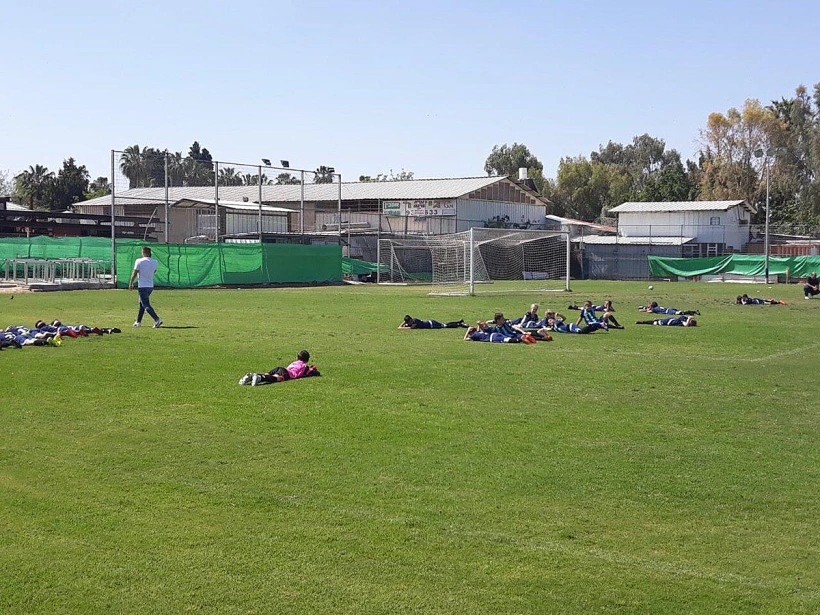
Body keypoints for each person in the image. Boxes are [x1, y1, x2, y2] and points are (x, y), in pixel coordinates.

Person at [239, 350, 321, 386]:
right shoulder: (304, 366)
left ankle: (253, 376)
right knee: (277, 379)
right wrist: (314, 370)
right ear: (307, 360)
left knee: (271, 375)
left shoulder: (294, 362)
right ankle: (259, 378)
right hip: (286, 373)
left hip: (280, 369)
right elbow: (313, 372)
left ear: (297, 358)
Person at [128, 246, 162, 328]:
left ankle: (157, 319)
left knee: (146, 305)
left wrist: (131, 283)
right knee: (141, 304)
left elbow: (135, 272)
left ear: (144, 252)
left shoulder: (139, 261)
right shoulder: (155, 262)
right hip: (150, 286)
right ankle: (138, 321)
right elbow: (154, 271)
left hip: (142, 286)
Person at [398, 315, 467, 329]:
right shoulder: (412, 321)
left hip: (432, 324)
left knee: (445, 326)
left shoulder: (415, 322)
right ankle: (459, 322)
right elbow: (401, 327)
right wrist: (404, 322)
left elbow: (400, 328)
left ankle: (459, 324)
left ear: (410, 320)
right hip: (431, 323)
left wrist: (403, 325)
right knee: (445, 324)